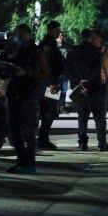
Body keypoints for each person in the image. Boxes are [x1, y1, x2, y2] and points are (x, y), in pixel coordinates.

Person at [6, 24, 47, 174]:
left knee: (27, 130)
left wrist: (27, 73)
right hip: (15, 92)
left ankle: (29, 164)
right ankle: (21, 161)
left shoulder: (36, 51)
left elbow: (43, 72)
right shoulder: (16, 50)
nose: (17, 38)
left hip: (29, 94)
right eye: (16, 35)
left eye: (19, 35)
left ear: (27, 35)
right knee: (14, 129)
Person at [66, 28, 108, 151]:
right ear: (90, 38)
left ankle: (83, 142)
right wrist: (88, 82)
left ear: (81, 37)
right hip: (95, 88)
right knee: (99, 117)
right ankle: (102, 143)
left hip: (78, 89)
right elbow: (97, 71)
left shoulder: (72, 52)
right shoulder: (96, 52)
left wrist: (79, 82)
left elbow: (68, 71)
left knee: (82, 117)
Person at [37, 20, 64, 149]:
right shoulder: (47, 45)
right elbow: (48, 66)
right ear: (50, 30)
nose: (59, 32)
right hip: (49, 84)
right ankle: (42, 139)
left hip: (51, 82)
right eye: (57, 29)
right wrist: (51, 83)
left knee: (50, 111)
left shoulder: (51, 44)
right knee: (49, 111)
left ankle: (43, 139)